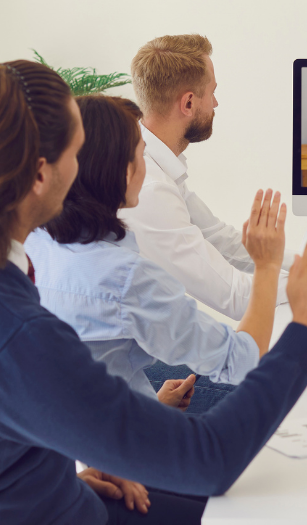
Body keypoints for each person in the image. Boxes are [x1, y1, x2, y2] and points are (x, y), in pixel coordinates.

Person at [0, 60, 307, 524]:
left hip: (43, 499)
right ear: (42, 175)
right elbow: (214, 459)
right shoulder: (19, 337)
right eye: (77, 155)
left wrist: (56, 473)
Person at [25, 95, 280, 411]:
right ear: (118, 170)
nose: (148, 170)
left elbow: (84, 373)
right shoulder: (125, 276)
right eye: (141, 156)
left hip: (85, 434)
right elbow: (242, 361)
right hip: (121, 448)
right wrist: (268, 265)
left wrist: (155, 404)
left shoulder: (36, 243)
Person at [120, 34, 307, 323]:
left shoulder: (157, 167)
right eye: (211, 93)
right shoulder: (151, 189)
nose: (216, 103)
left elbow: (222, 242)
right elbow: (235, 298)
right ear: (187, 103)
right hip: (136, 363)